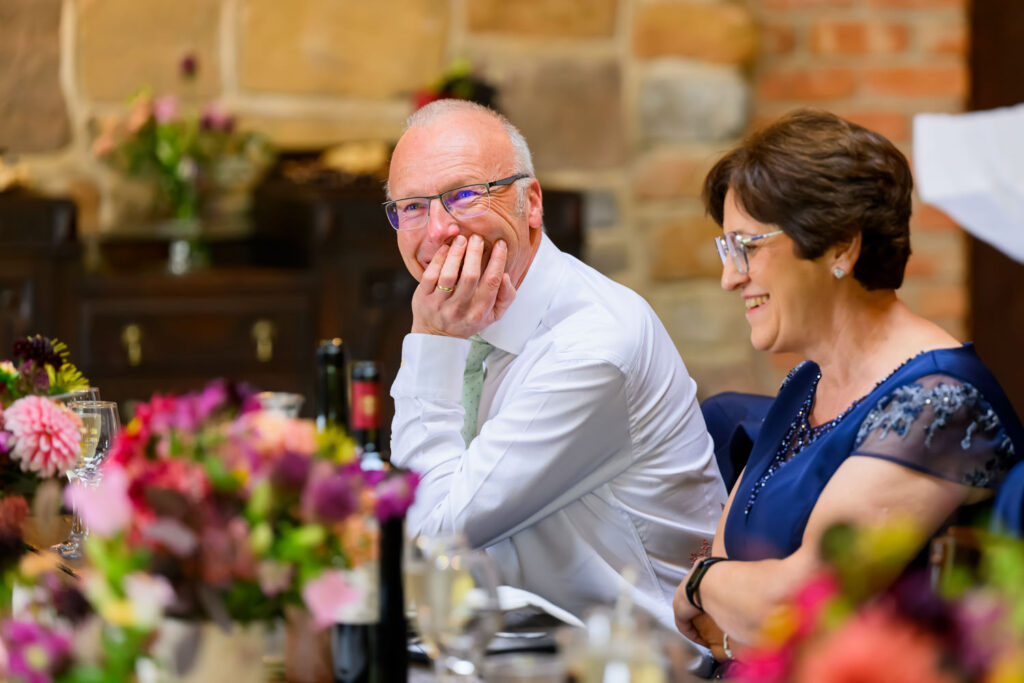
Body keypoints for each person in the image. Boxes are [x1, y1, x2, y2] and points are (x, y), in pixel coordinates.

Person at [672, 109, 1024, 664]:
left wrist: (700, 585)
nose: (730, 277)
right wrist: (729, 604)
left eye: (748, 247)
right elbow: (727, 561)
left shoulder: (939, 403)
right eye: (727, 250)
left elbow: (796, 610)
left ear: (840, 247)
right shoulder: (807, 381)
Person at [385, 99, 726, 630]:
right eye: (411, 207)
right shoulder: (474, 321)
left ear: (532, 203)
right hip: (513, 631)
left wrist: (434, 344)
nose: (437, 231)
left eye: (465, 195)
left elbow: (431, 537)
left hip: (641, 653)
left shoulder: (591, 347)